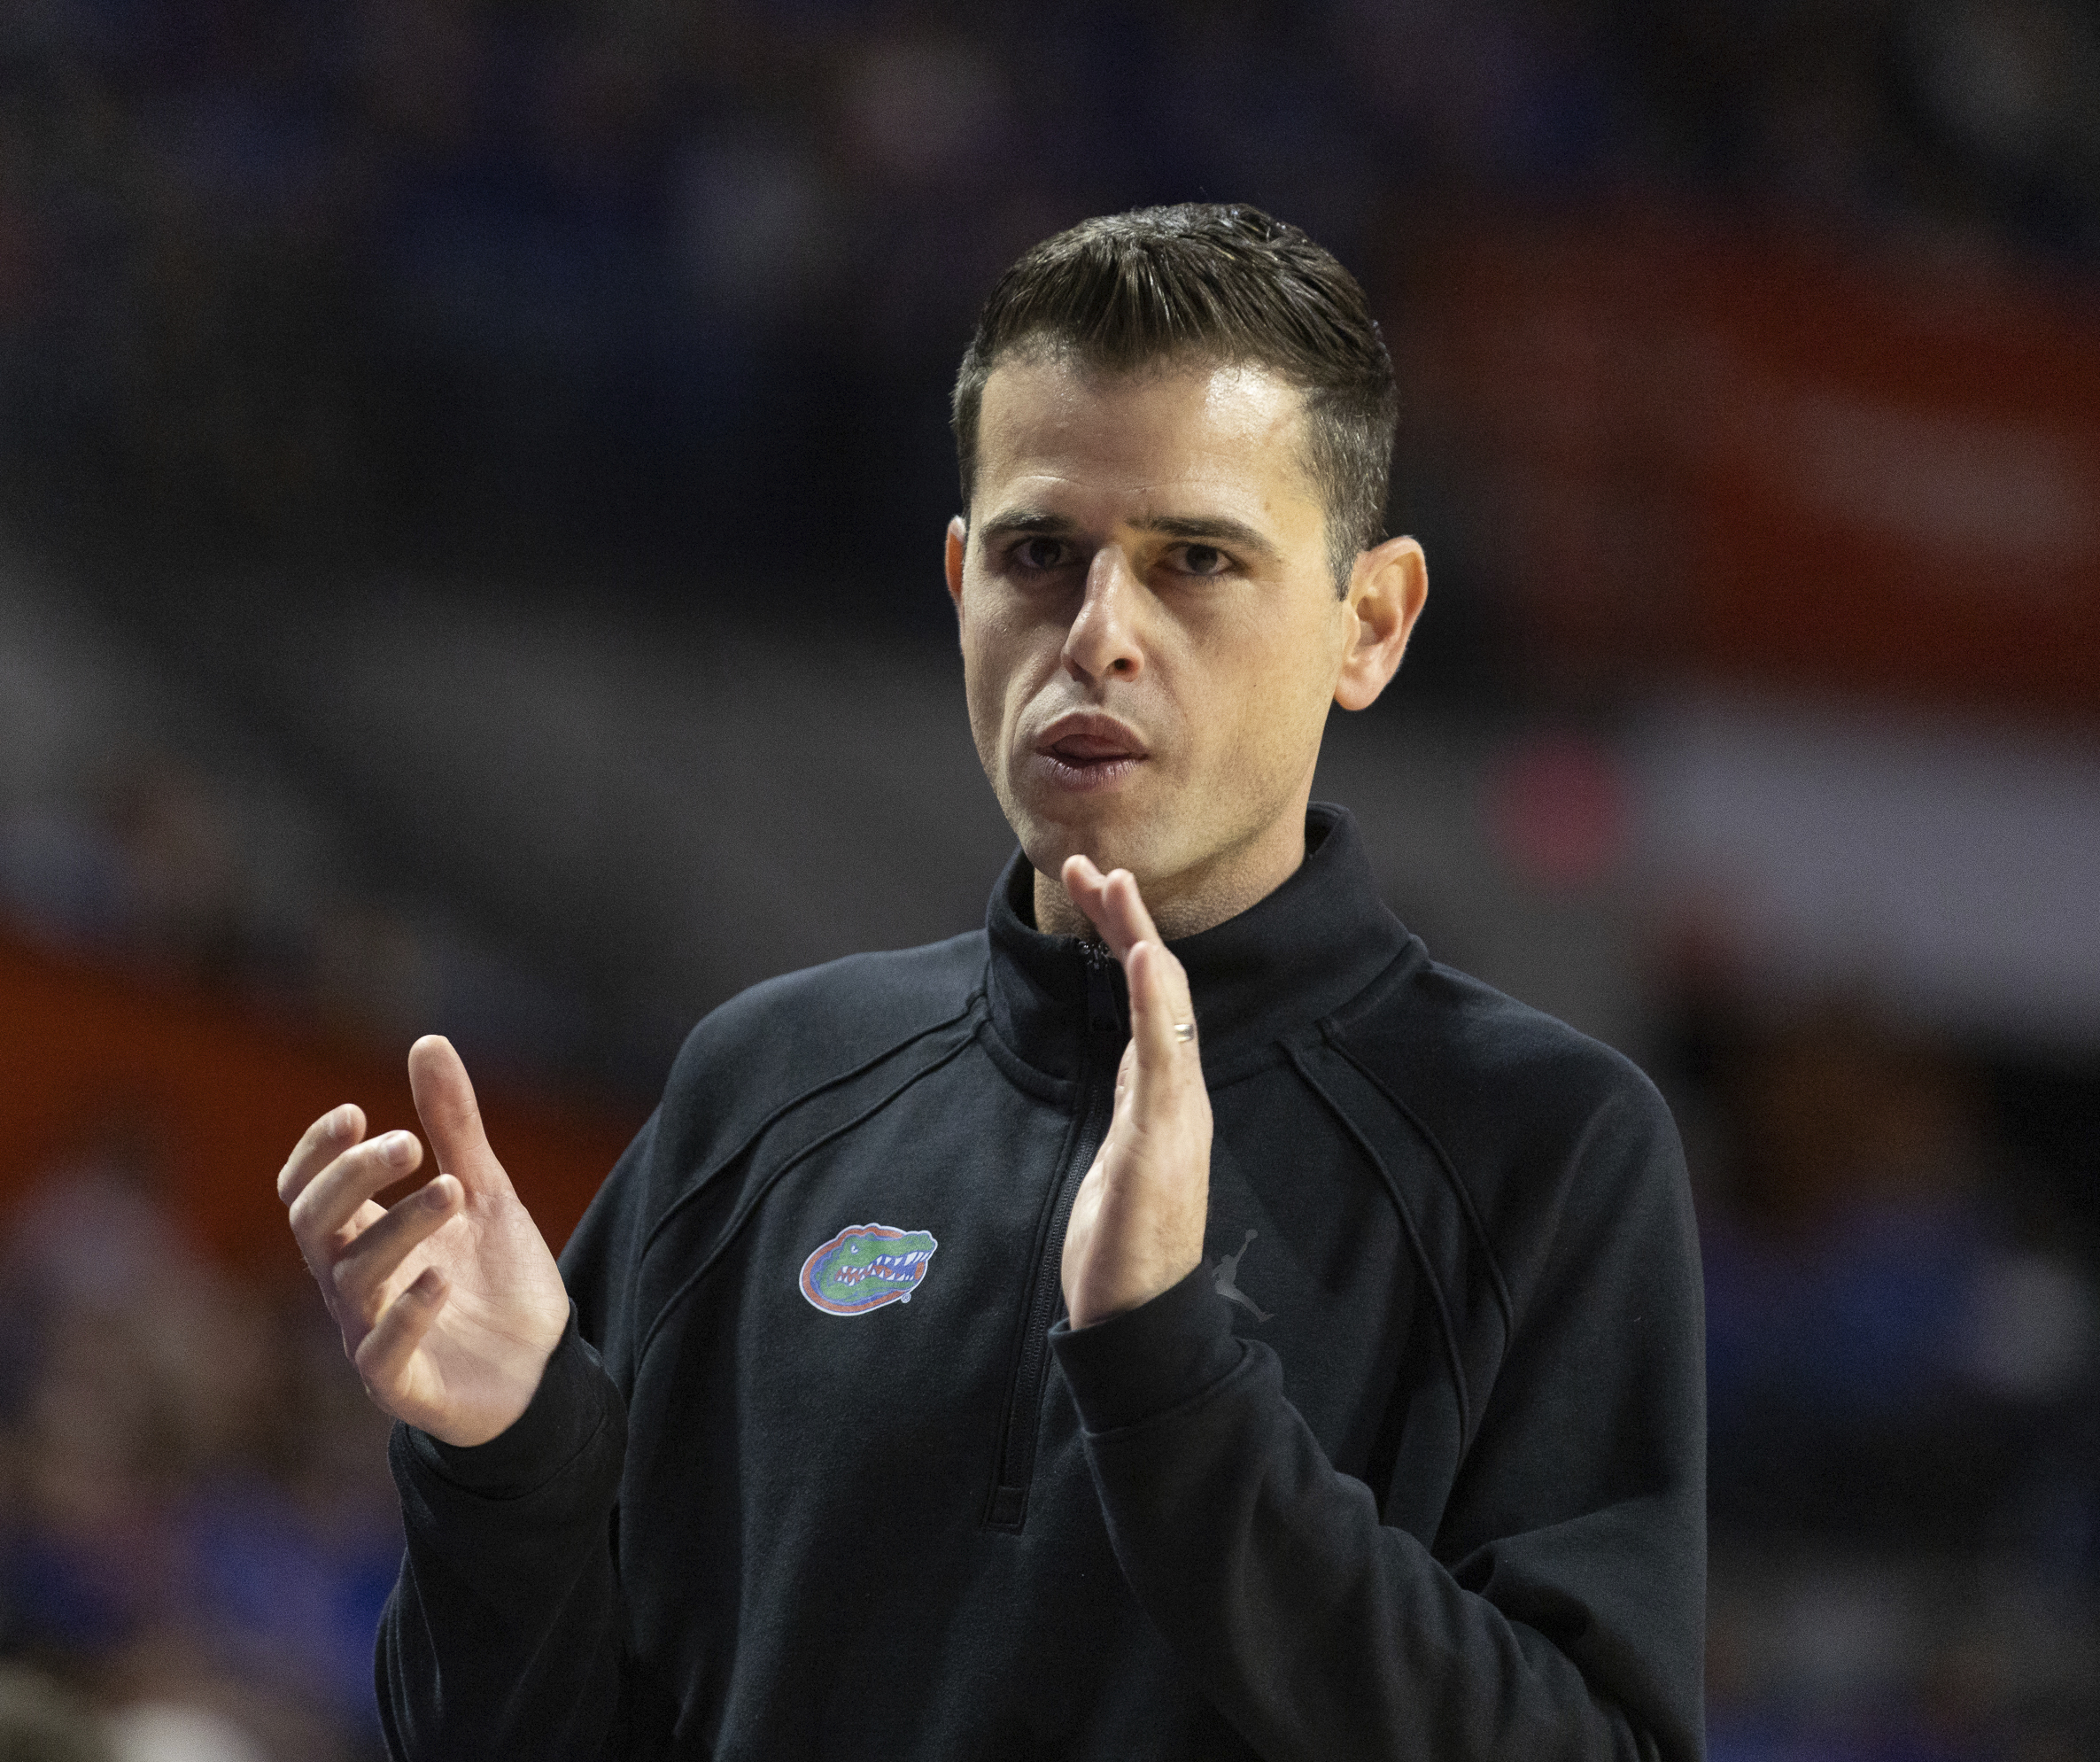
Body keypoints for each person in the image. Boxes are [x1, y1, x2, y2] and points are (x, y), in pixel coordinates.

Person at [279, 204, 1704, 1761]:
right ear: (960, 576)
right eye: (1040, 552)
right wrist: (507, 1457)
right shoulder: (765, 1090)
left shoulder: (1541, 1148)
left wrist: (1168, 1375)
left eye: (1196, 562)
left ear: (1368, 622)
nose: (1098, 633)